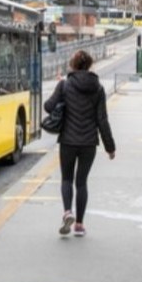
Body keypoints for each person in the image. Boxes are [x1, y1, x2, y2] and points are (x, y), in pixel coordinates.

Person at [44, 49, 116, 237]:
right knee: (81, 182)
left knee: (66, 179)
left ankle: (68, 212)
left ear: (73, 65)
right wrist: (110, 147)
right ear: (89, 65)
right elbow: (102, 119)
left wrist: (60, 93)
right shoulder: (98, 88)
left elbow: (48, 107)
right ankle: (79, 225)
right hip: (89, 143)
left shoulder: (65, 85)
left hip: (68, 141)